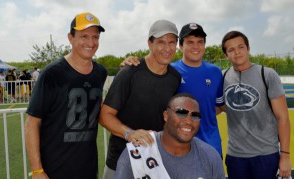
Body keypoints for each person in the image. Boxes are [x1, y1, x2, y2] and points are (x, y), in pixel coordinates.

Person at [121, 23, 225, 156]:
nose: (196, 46)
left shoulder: (215, 72)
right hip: (178, 148)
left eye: (200, 42)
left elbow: (218, 107)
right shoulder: (169, 71)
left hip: (212, 146)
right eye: (190, 42)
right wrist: (131, 62)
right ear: (181, 46)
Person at [25, 12, 107, 179]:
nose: (91, 42)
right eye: (84, 36)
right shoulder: (52, 73)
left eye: (95, 37)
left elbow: (100, 111)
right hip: (54, 169)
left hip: (88, 168)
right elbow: (31, 123)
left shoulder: (100, 72)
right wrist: (37, 170)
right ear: (70, 38)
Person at [99, 19, 181, 179]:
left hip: (155, 162)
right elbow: (104, 115)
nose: (167, 48)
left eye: (172, 42)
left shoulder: (175, 78)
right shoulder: (129, 73)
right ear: (150, 44)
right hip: (121, 161)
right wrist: (129, 133)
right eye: (160, 42)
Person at [221, 30, 292, 179]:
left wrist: (285, 155)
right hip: (235, 156)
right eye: (231, 49)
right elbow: (219, 107)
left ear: (248, 49)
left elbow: (283, 117)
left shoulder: (267, 74)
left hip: (266, 154)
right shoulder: (223, 76)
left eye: (241, 47)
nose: (237, 52)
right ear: (226, 55)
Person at [115, 93, 225, 179]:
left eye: (195, 115)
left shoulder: (210, 156)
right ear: (166, 116)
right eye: (181, 113)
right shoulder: (138, 152)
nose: (188, 121)